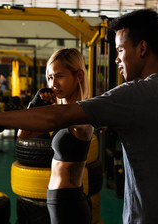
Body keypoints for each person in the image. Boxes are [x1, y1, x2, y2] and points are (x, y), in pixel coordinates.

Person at [0, 9, 158, 224]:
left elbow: (59, 116)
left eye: (120, 50)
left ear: (142, 48)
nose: (116, 59)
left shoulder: (139, 93)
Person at [14, 48, 95, 224]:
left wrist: (50, 113)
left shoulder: (83, 114)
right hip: (57, 200)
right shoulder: (60, 114)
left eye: (59, 76)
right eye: (50, 77)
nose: (53, 84)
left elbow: (77, 124)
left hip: (70, 202)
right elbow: (23, 134)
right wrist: (35, 104)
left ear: (79, 75)